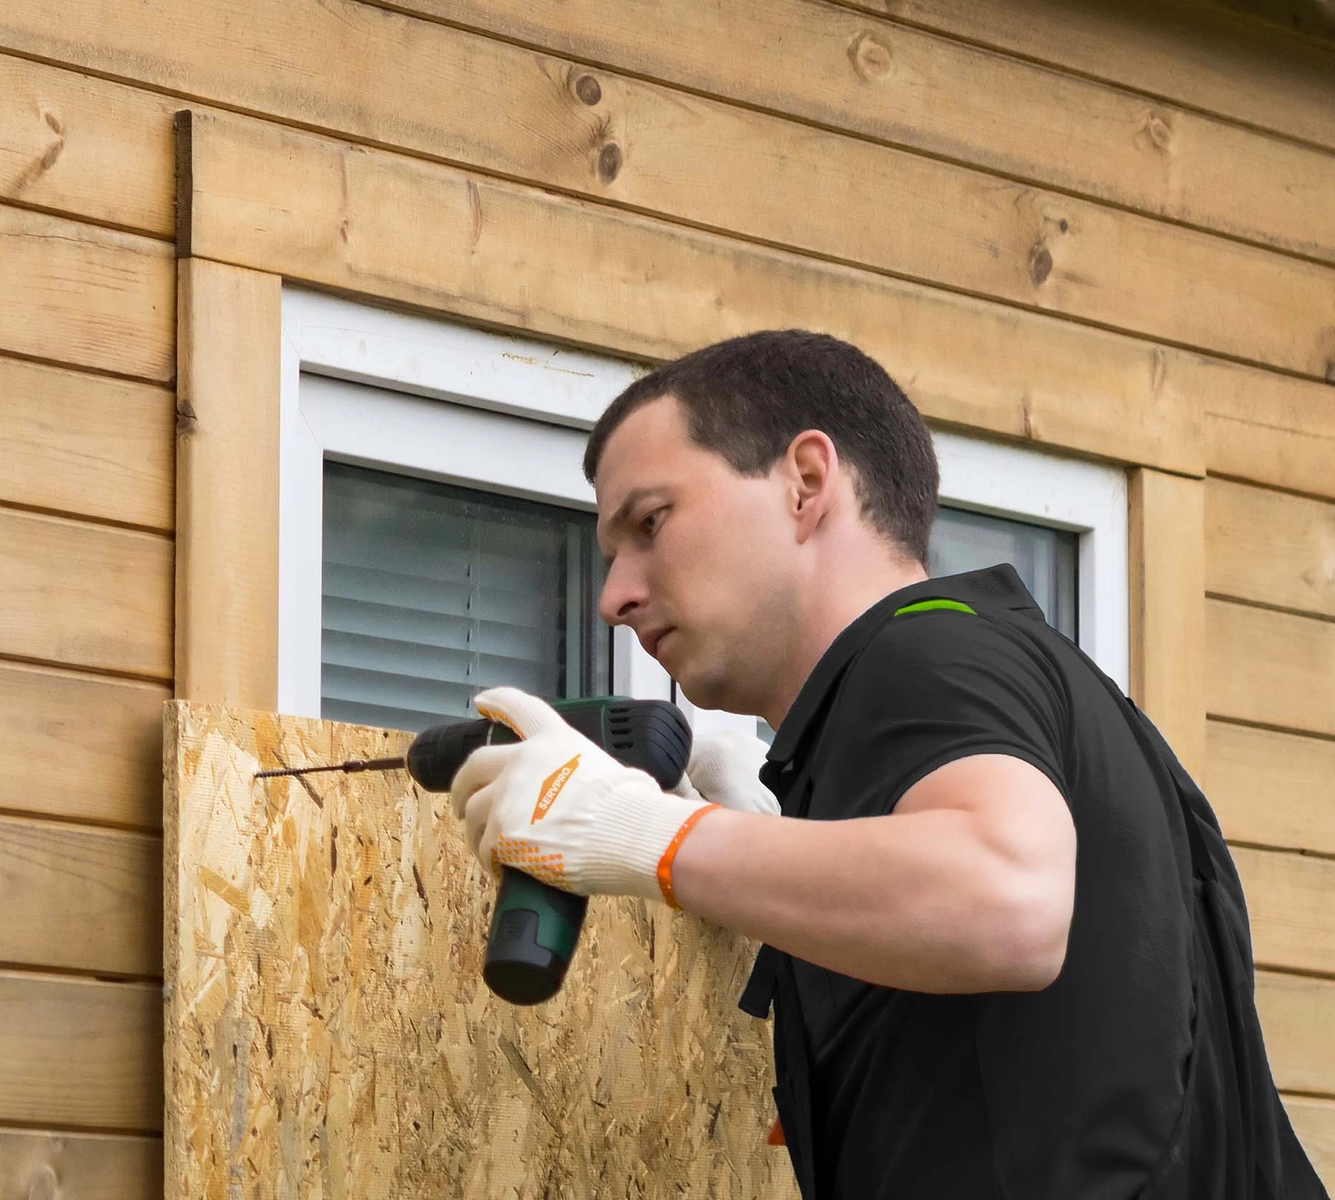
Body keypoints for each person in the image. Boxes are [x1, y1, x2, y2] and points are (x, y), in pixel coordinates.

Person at [449, 330, 1326, 1199]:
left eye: (651, 522)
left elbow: (1008, 898)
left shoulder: (923, 655)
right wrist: (778, 846)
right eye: (609, 556)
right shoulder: (1017, 679)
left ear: (806, 482)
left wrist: (653, 836)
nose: (613, 596)